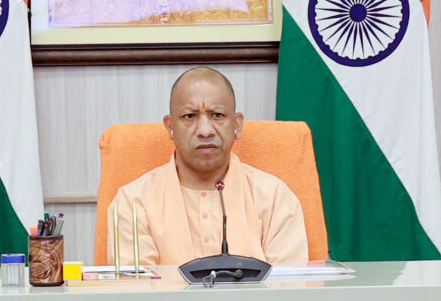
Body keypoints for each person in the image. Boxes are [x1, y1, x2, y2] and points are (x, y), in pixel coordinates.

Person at [106, 66, 309, 268]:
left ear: (237, 125)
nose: (204, 130)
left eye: (217, 115)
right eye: (190, 116)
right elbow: (137, 286)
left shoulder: (274, 198)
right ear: (170, 127)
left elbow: (288, 285)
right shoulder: (133, 202)